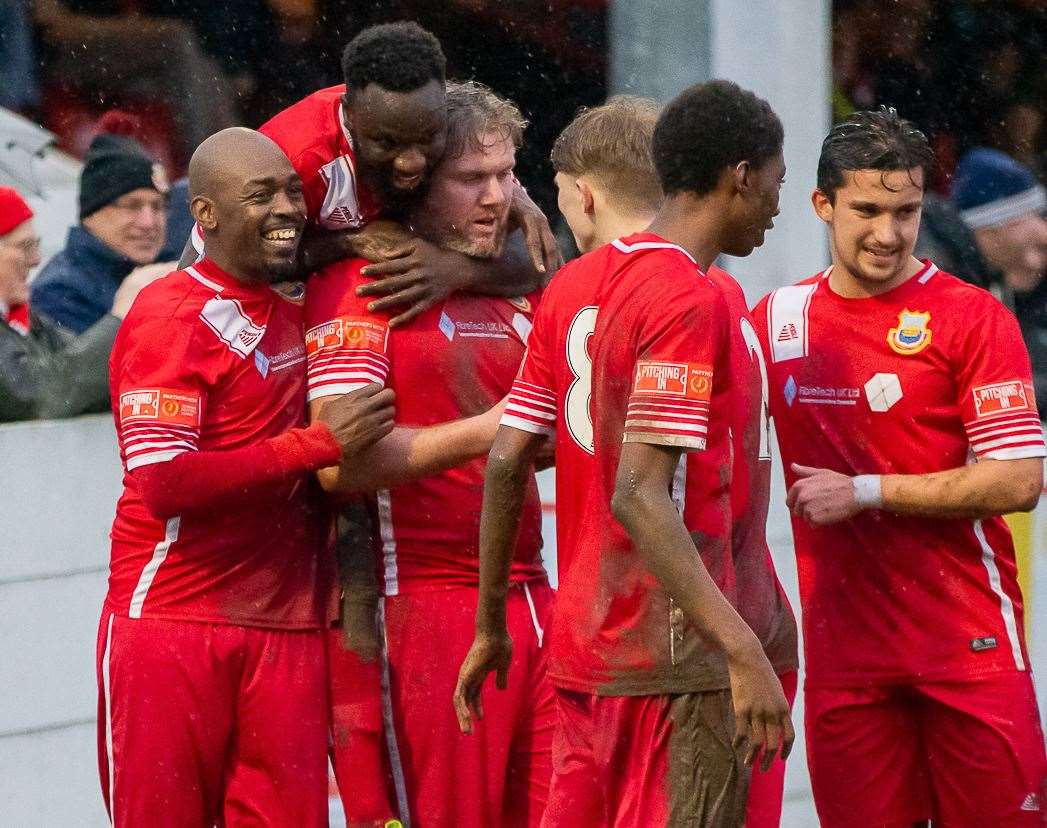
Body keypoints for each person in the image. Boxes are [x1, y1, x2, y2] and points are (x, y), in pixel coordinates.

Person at [457, 80, 793, 827]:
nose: (778, 205)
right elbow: (641, 495)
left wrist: (490, 625)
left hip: (586, 643)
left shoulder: (575, 286)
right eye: (775, 184)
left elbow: (509, 458)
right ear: (740, 177)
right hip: (680, 645)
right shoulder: (700, 299)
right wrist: (743, 648)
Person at [753, 108, 1047, 827]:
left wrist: (865, 491)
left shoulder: (972, 318)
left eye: (905, 211)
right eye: (866, 211)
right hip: (844, 664)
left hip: (967, 649)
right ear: (822, 205)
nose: (886, 233)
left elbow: (1018, 481)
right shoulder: (777, 320)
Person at [96, 127, 396, 827]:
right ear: (205, 214)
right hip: (173, 621)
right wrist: (317, 444)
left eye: (293, 190)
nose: (288, 208)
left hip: (284, 628)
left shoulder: (300, 299)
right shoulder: (169, 315)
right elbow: (163, 484)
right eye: (259, 195)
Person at [305, 80, 552, 828]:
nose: (495, 198)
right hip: (419, 605)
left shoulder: (512, 284)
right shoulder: (363, 284)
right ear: (413, 184)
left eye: (506, 175)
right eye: (471, 179)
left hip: (535, 597)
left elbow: (531, 446)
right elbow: (336, 461)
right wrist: (495, 430)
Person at [182, 21, 559, 326]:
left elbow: (538, 264)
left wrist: (455, 270)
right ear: (351, 114)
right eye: (387, 144)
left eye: (426, 139)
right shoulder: (295, 157)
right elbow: (215, 267)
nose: (410, 162)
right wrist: (348, 242)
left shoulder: (454, 134)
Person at [0, 186, 162, 422]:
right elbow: (38, 398)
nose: (35, 260)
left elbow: (85, 378)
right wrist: (121, 318)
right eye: (25, 247)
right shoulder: (59, 289)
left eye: (36, 246)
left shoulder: (28, 319)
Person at [32, 119, 174, 334]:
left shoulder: (165, 270)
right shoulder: (59, 292)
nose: (149, 222)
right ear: (90, 215)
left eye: (158, 206)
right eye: (131, 206)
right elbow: (78, 366)